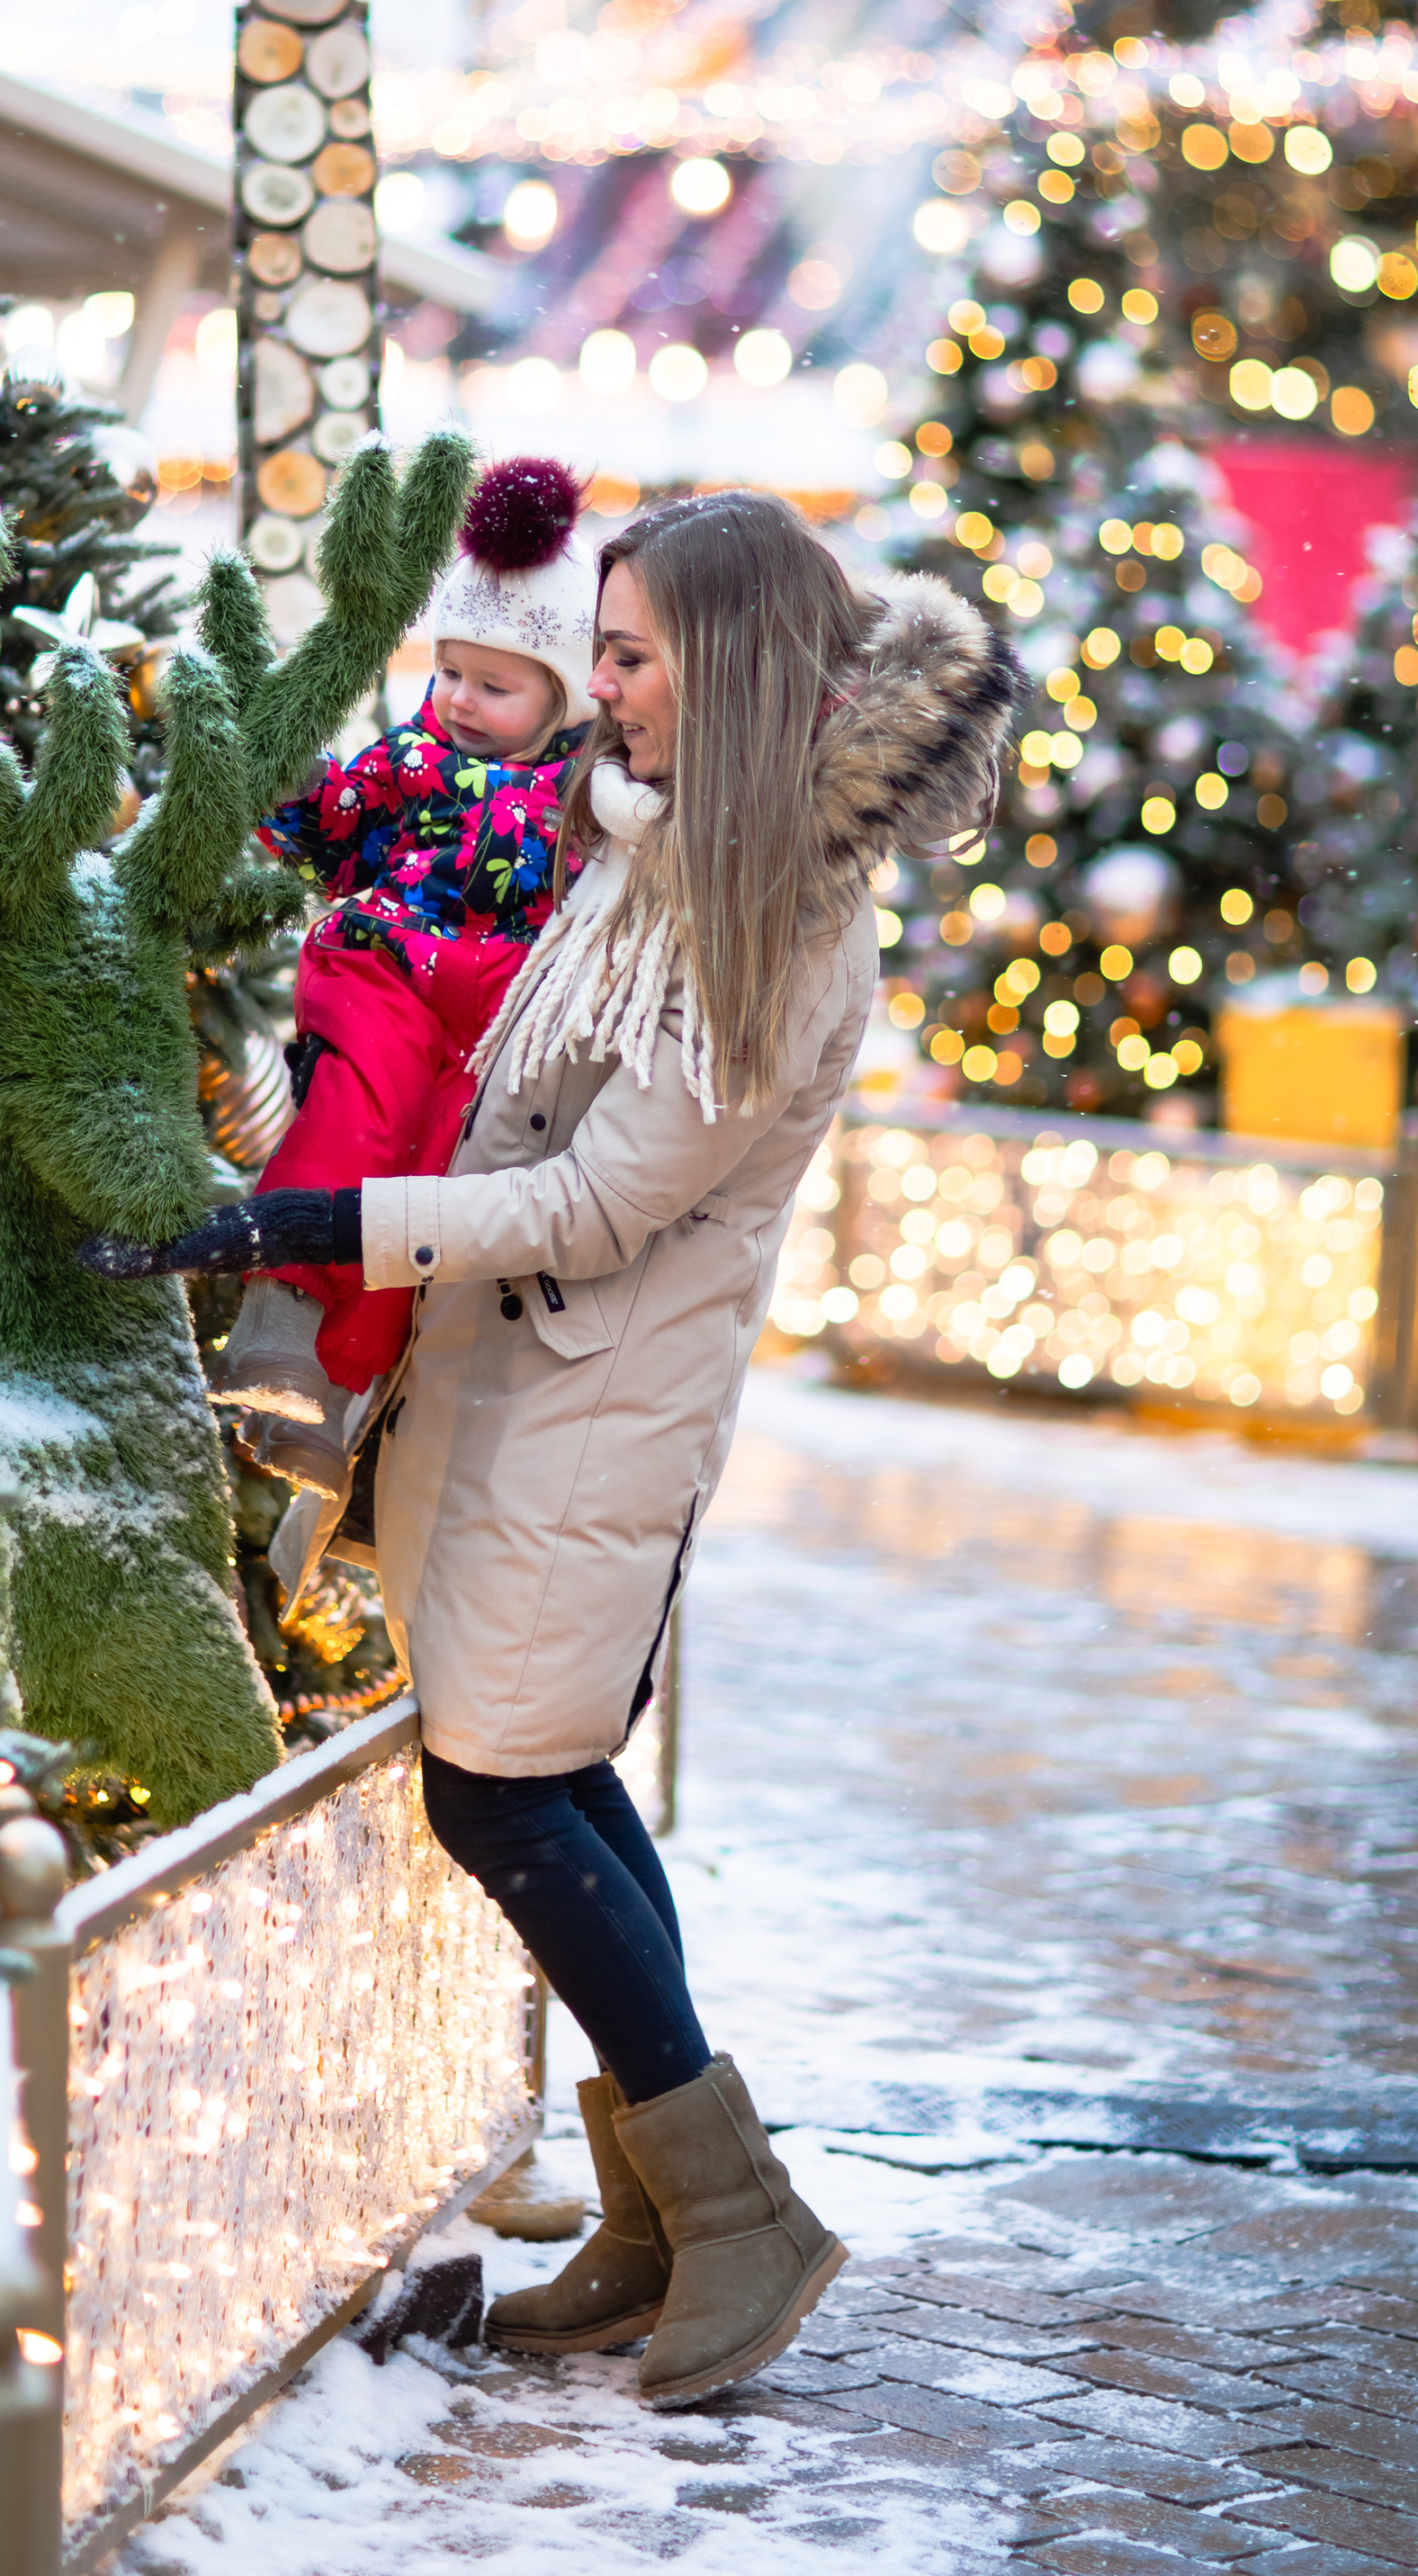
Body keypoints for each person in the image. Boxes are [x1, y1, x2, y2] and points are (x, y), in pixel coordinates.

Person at [83, 493, 1016, 2408]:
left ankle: (733, 2216)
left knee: (504, 1796)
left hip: (591, 1420)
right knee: (550, 1780)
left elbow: (593, 1200)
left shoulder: (770, 918)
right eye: (595, 655)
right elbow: (520, 1058)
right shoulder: (655, 844)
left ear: (736, 669)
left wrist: (321, 1229)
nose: (597, 698)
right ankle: (663, 2220)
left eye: (632, 660)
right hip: (516, 1397)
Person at [217, 454, 597, 1502]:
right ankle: (278, 1317)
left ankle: (337, 1398)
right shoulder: (412, 758)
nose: (463, 701)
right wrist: (256, 811)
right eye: (450, 673)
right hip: (385, 965)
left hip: (494, 1005)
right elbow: (316, 826)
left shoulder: (588, 796)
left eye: (496, 685)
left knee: (435, 1180)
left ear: (561, 695)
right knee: (360, 1105)